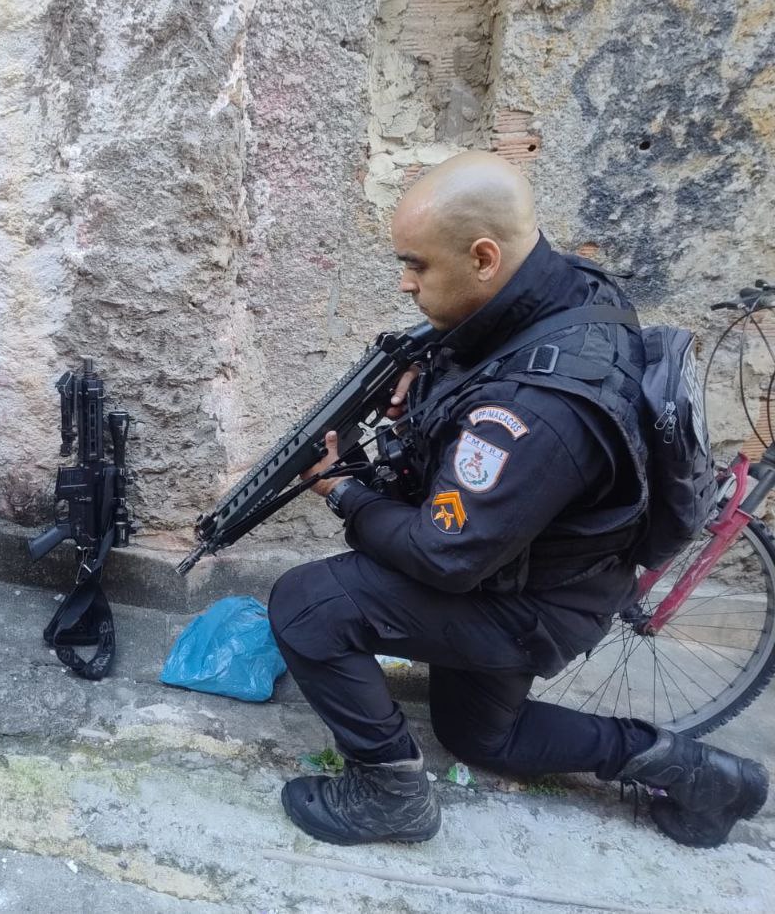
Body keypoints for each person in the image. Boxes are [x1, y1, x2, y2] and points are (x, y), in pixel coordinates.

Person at [267, 150, 768, 848]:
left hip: (530, 596)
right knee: (479, 735)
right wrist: (426, 385)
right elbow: (486, 372)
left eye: (417, 266)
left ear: (482, 257)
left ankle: (390, 795)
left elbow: (445, 557)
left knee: (306, 604)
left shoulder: (536, 409)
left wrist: (346, 494)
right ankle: (699, 774)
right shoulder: (568, 291)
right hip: (552, 568)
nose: (406, 285)